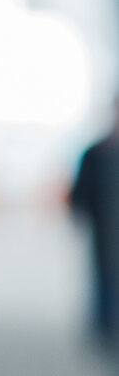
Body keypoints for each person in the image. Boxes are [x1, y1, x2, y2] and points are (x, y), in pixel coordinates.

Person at [71, 99, 119, 349]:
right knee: (105, 282)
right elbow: (80, 195)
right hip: (105, 234)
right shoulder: (96, 153)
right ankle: (105, 333)